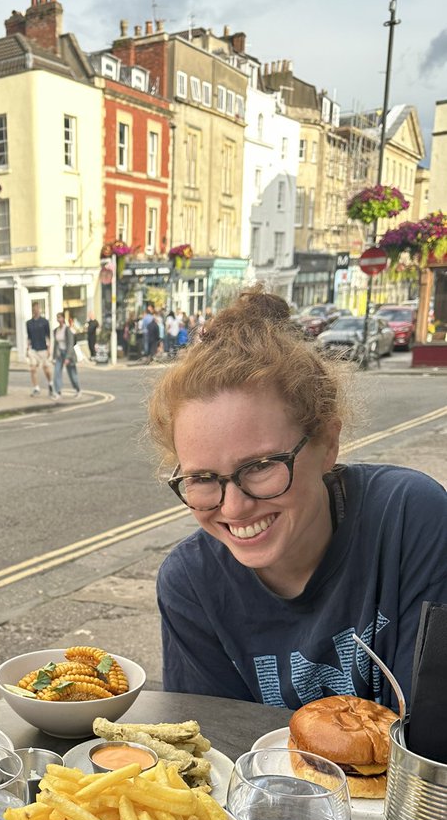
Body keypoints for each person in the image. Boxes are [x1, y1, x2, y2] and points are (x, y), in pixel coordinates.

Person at [146, 287, 447, 713]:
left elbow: (430, 735)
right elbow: (213, 755)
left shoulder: (408, 518)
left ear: (327, 443)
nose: (232, 508)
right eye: (202, 478)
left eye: (260, 466)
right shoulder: (191, 583)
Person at [25, 301, 54, 397]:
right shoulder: (29, 323)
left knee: (46, 368)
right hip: (33, 349)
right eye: (34, 309)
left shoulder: (45, 322)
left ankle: (50, 384)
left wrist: (49, 349)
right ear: (32, 310)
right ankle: (36, 388)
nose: (36, 310)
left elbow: (48, 337)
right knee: (33, 368)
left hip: (43, 348)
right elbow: (28, 337)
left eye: (37, 308)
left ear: (40, 309)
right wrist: (27, 348)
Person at [52, 310, 80, 398]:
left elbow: (70, 344)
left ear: (63, 318)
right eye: (57, 317)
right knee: (56, 373)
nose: (58, 319)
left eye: (60, 317)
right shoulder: (56, 330)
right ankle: (58, 392)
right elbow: (56, 344)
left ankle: (78, 390)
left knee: (72, 374)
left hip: (68, 354)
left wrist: (67, 357)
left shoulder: (67, 329)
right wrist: (53, 357)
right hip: (59, 354)